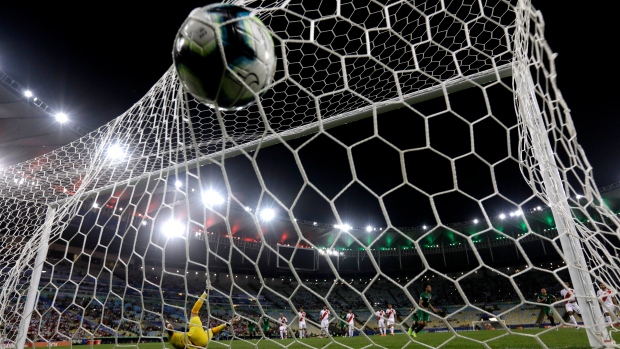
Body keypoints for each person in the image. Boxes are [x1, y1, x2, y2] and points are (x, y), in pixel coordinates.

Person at [164, 291, 239, 349]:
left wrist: (167, 324)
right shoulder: (172, 336)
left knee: (212, 331)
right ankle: (205, 293)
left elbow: (170, 330)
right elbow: (170, 329)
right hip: (195, 337)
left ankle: (226, 324)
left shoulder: (174, 342)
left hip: (201, 343)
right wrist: (167, 324)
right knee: (194, 312)